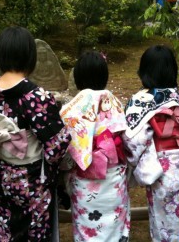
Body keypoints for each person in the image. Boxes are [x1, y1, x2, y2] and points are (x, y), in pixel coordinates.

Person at [0, 26, 71, 241]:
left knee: (6, 231)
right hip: (33, 182)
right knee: (35, 234)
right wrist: (49, 166)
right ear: (30, 57)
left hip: (2, 178)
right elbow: (57, 143)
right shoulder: (36, 97)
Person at [123, 45, 179, 241]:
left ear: (144, 70)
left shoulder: (140, 100)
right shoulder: (177, 96)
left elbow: (133, 143)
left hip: (165, 176)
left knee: (168, 232)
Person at [59, 51, 130, 242]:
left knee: (87, 233)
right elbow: (128, 141)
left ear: (79, 77)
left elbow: (63, 149)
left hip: (84, 183)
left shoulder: (71, 109)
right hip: (114, 180)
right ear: (104, 76)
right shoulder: (115, 104)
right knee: (115, 232)